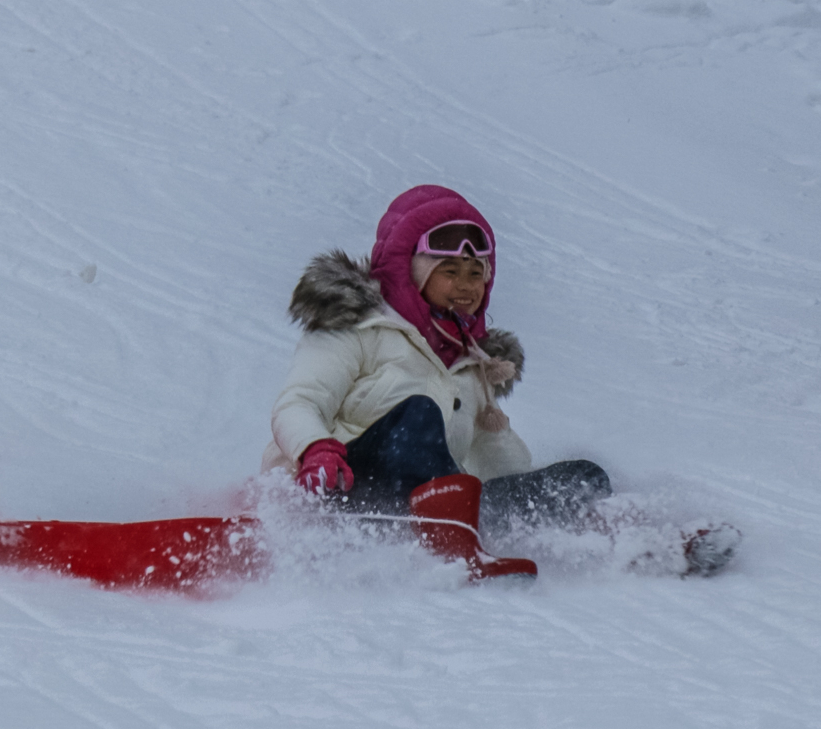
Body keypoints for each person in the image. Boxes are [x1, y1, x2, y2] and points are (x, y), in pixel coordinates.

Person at [261, 185, 611, 580]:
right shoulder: (358, 328)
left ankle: (630, 541)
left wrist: (496, 432)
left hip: (429, 507)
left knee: (583, 477)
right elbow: (299, 401)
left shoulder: (470, 365)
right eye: (450, 271)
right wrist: (315, 450)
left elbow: (503, 475)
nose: (466, 286)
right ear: (413, 272)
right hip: (342, 491)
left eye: (476, 273)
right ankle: (453, 544)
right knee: (419, 413)